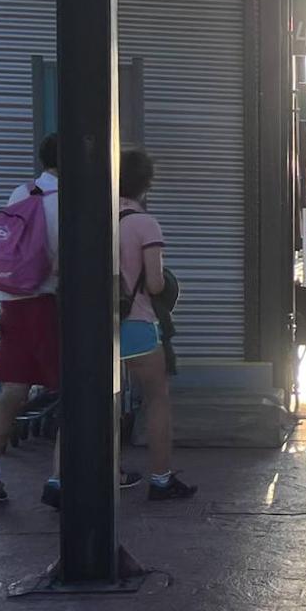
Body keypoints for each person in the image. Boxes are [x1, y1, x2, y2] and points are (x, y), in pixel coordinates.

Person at [0, 134, 61, 503]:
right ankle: (60, 480)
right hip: (48, 304)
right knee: (76, 393)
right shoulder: (66, 202)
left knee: (12, 391)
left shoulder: (22, 193)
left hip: (12, 302)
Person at [116, 146, 197, 500]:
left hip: (96, 325)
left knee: (104, 400)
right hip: (136, 321)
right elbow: (154, 284)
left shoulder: (95, 215)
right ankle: (161, 479)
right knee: (157, 398)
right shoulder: (143, 223)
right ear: (145, 185)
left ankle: (104, 470)